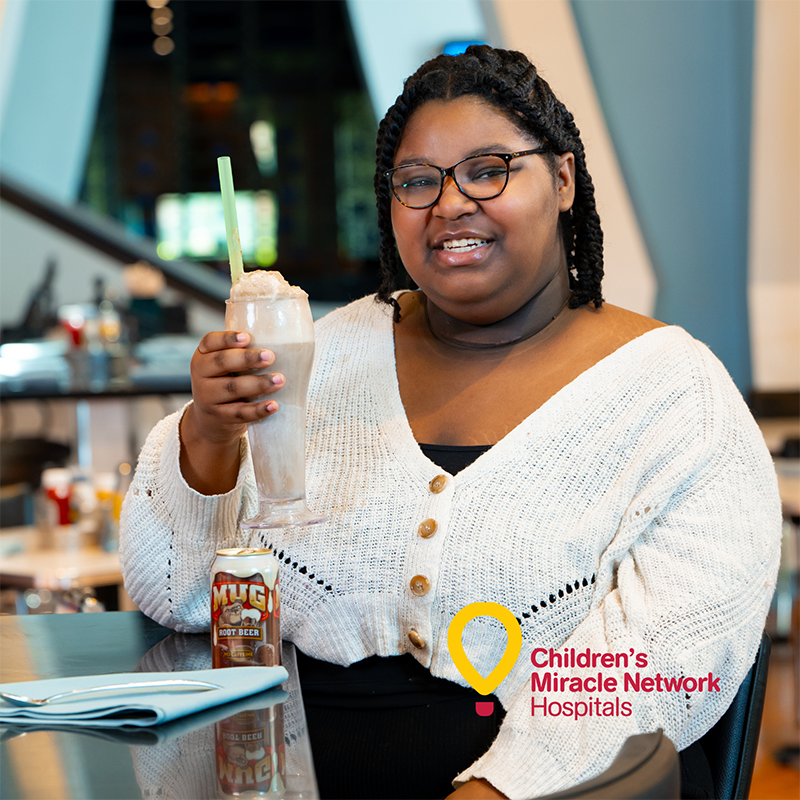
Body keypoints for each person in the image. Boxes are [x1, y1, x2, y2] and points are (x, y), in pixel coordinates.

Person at [120, 45, 782, 800]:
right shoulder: (317, 359)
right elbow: (173, 595)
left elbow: (664, 659)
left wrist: (498, 789)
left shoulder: (673, 394)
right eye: (417, 182)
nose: (450, 203)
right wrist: (207, 435)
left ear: (562, 179)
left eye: (489, 168)